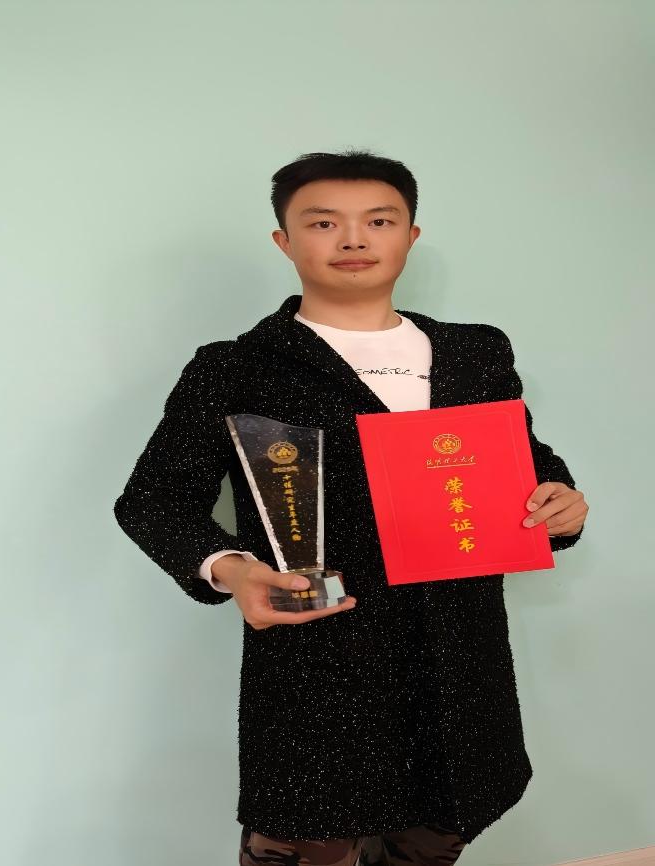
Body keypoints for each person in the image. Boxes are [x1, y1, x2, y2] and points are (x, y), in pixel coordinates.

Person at [113, 149, 589, 866]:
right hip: (320, 657)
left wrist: (562, 502)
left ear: (411, 235)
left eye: (379, 221)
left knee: (432, 841)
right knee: (307, 844)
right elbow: (154, 501)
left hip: (460, 660)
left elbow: (523, 461)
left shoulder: (473, 354)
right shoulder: (237, 366)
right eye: (323, 222)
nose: (354, 239)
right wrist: (235, 571)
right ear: (284, 241)